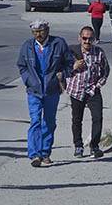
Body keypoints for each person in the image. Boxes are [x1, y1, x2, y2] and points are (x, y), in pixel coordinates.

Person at [17, 20, 71, 167]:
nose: (38, 35)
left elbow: (69, 62)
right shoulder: (27, 46)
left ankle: (45, 152)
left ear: (47, 30)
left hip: (51, 90)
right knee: (35, 120)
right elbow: (22, 66)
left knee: (49, 121)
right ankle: (34, 154)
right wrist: (28, 80)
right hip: (34, 90)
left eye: (41, 31)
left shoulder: (58, 44)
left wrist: (63, 74)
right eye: (35, 32)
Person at [66, 26, 110, 159]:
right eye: (84, 38)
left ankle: (94, 146)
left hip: (92, 90)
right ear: (79, 38)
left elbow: (105, 70)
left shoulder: (99, 52)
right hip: (76, 90)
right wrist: (73, 67)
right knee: (77, 120)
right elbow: (61, 69)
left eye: (90, 39)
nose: (87, 41)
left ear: (94, 39)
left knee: (97, 118)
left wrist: (98, 85)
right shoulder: (71, 52)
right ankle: (78, 146)